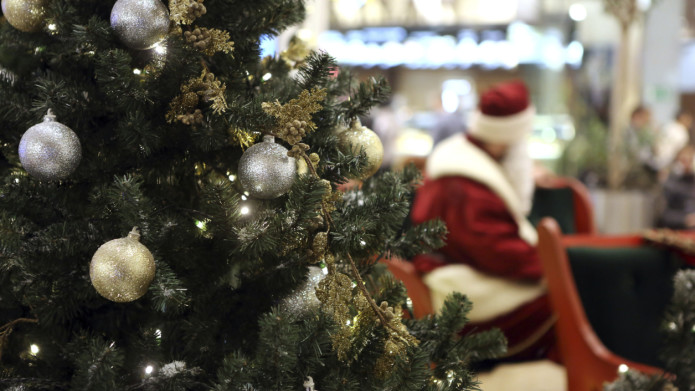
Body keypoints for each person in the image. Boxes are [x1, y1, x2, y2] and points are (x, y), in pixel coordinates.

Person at [410, 80, 555, 361]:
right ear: (506, 138)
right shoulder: (464, 183)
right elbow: (496, 250)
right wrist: (553, 264)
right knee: (566, 303)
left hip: (461, 272)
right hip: (460, 292)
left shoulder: (464, 159)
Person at [656, 145, 695, 230]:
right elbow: (665, 215)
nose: (687, 164)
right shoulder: (671, 183)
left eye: (690, 160)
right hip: (679, 231)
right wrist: (685, 220)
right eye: (683, 160)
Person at [653, 110, 693, 176]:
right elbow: (680, 153)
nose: (690, 123)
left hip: (655, 160)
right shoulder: (682, 132)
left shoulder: (667, 126)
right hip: (667, 163)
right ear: (683, 118)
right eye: (689, 120)